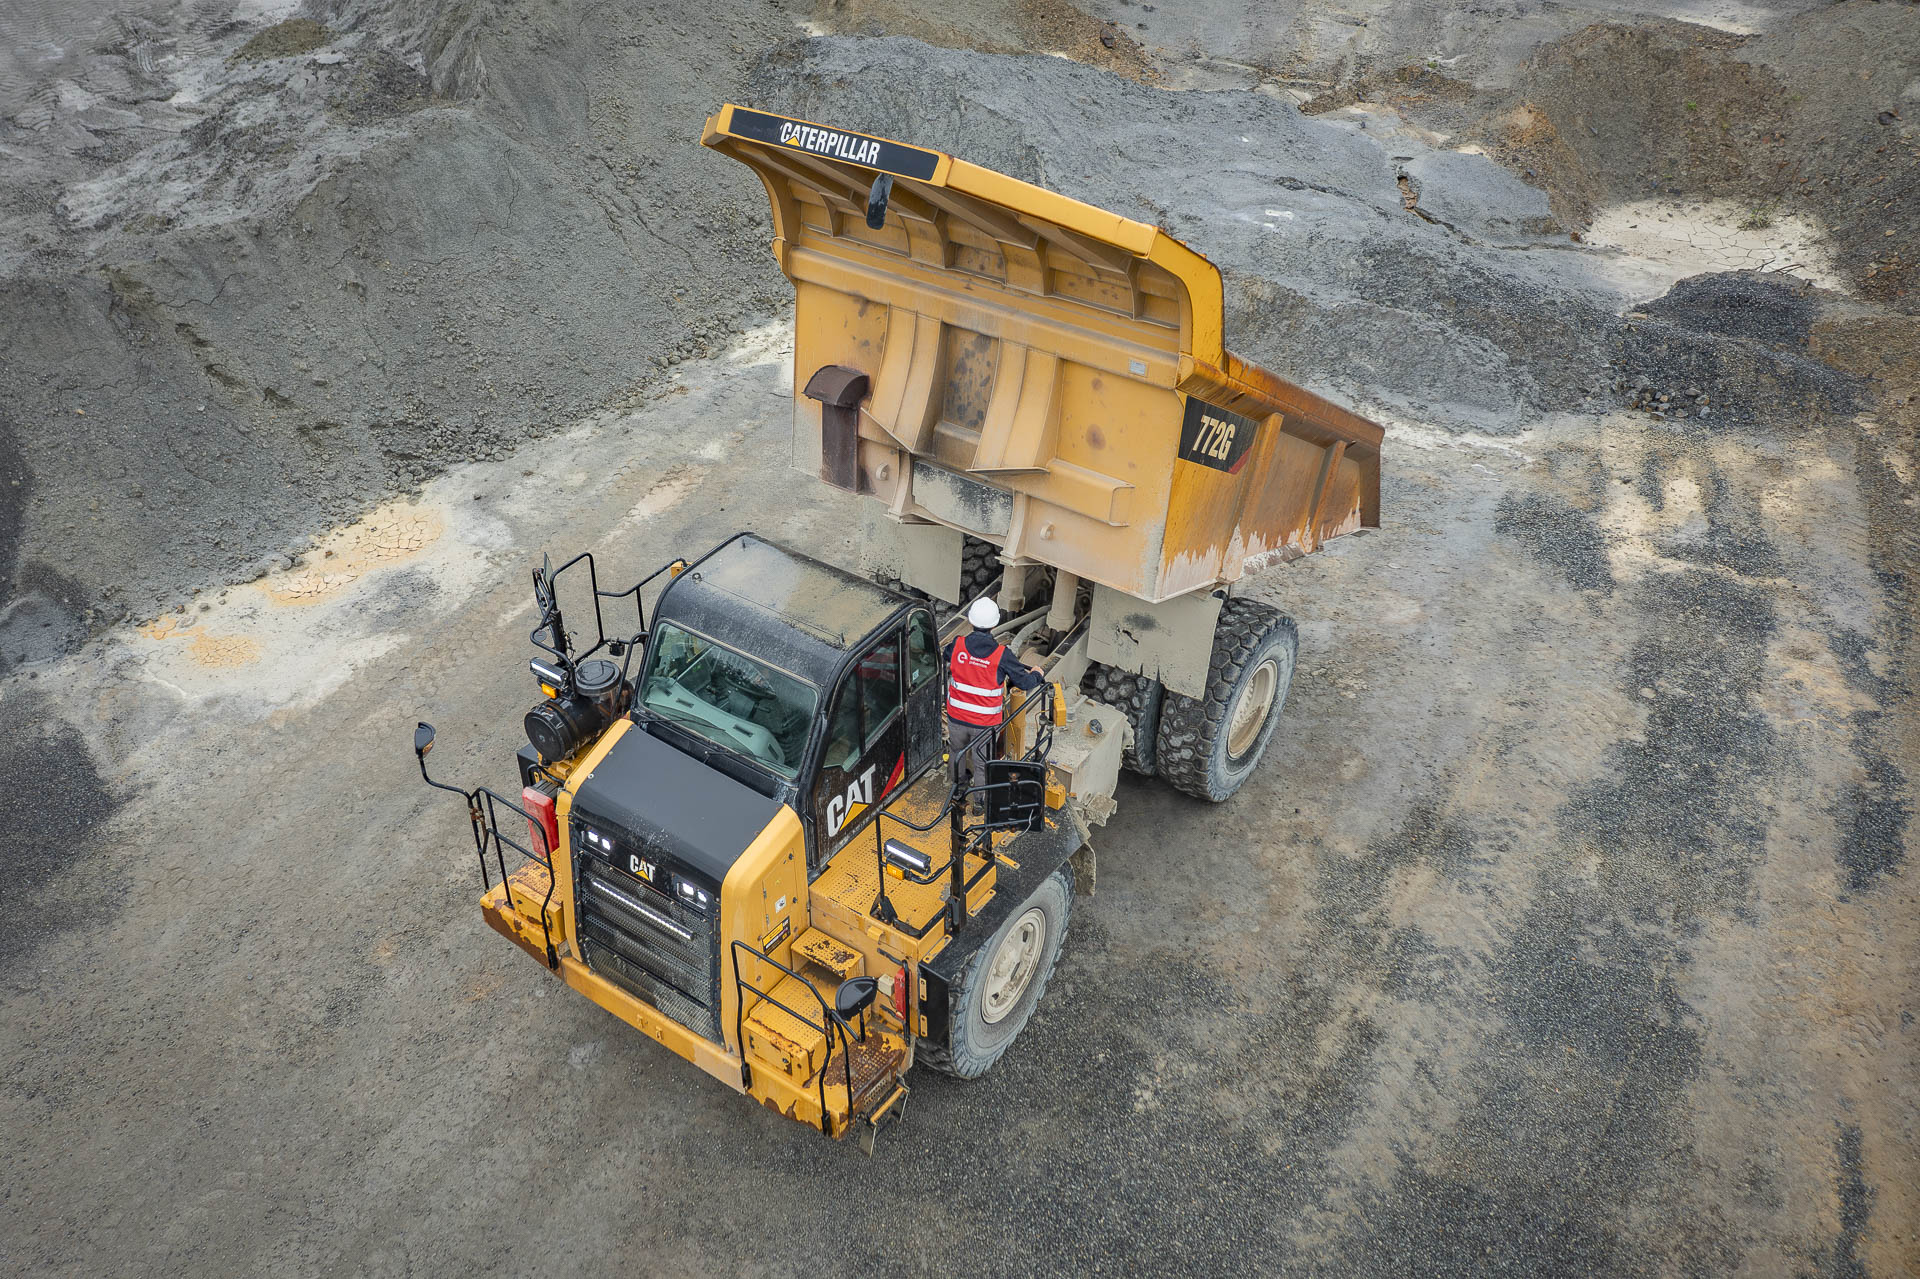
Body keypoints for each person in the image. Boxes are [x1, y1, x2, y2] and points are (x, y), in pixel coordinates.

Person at [945, 597, 1044, 798]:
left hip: (956, 717)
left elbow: (948, 656)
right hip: (985, 724)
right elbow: (1024, 683)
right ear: (994, 624)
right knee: (983, 762)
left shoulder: (958, 645)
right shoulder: (1002, 655)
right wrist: (1037, 674)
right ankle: (980, 801)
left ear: (971, 621)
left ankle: (958, 789)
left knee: (956, 752)